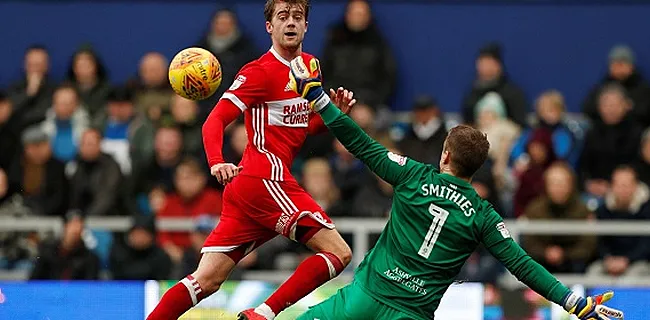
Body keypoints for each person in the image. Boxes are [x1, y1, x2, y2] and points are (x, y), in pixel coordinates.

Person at [287, 56, 624, 320]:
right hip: (410, 315)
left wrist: (318, 98)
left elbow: (360, 142)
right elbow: (522, 265)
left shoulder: (414, 176)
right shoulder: (483, 215)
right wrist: (574, 303)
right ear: (477, 170)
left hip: (361, 301)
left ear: (445, 154)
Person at [146, 1, 353, 320]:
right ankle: (263, 314)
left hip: (253, 189)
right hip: (264, 178)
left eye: (297, 17)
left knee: (207, 279)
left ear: (306, 26)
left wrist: (331, 114)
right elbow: (213, 121)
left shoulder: (311, 67)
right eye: (282, 17)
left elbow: (299, 128)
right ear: (269, 26)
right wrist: (216, 161)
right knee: (339, 252)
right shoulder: (258, 72)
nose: (291, 23)